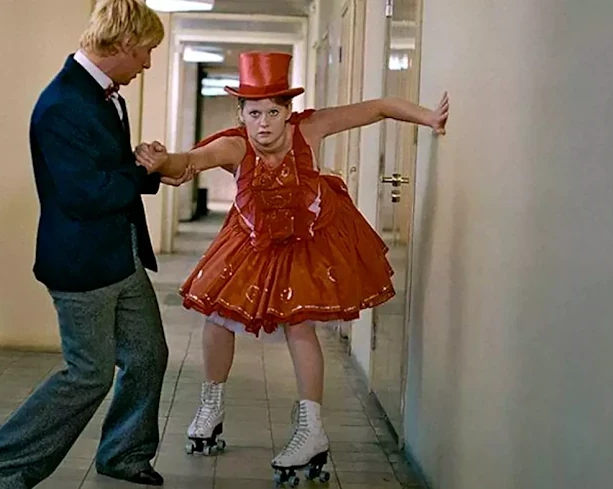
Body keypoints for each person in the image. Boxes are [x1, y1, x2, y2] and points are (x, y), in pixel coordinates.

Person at [134, 51, 449, 485]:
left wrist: (429, 118)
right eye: (254, 113)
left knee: (300, 324)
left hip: (306, 239)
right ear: (241, 114)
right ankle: (211, 405)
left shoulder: (310, 128)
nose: (263, 123)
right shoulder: (235, 145)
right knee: (219, 315)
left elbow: (377, 107)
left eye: (273, 112)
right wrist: (160, 160)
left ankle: (311, 428)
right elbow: (188, 161)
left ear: (287, 111)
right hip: (253, 240)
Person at [0, 1, 176, 487]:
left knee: (146, 355)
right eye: (145, 51)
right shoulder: (62, 104)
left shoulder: (105, 97)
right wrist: (141, 169)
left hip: (122, 254)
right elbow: (84, 195)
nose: (147, 63)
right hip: (83, 262)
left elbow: (104, 171)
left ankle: (124, 454)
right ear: (122, 44)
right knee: (88, 375)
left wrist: (145, 168)